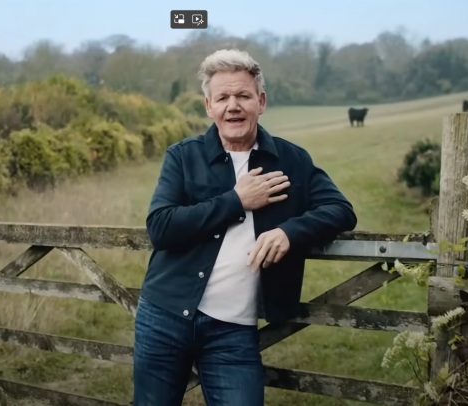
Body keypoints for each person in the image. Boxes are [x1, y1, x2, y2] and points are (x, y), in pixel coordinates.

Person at [133, 49, 357, 406]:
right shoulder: (183, 156)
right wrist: (236, 200)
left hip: (233, 331)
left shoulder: (291, 160)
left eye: (243, 96)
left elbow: (341, 210)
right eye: (222, 97)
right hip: (165, 317)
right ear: (209, 106)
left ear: (261, 101)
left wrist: (289, 232)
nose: (232, 106)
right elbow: (160, 227)